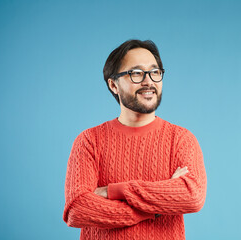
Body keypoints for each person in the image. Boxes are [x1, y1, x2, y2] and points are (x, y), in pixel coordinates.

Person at [63, 39, 207, 240]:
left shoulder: (181, 139)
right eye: (136, 73)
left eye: (155, 72)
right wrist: (155, 208)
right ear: (113, 85)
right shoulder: (89, 140)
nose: (149, 81)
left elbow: (192, 196)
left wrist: (114, 191)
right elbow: (77, 210)